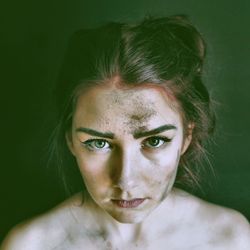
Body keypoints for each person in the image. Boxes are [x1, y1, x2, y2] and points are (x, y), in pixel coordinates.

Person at [1, 15, 250, 250]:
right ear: (70, 139)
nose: (125, 180)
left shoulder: (230, 239)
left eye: (155, 140)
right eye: (98, 143)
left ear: (186, 137)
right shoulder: (31, 245)